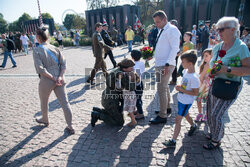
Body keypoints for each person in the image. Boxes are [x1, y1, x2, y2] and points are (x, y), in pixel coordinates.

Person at [203, 17, 250, 150]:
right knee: (210, 110)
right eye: (218, 29)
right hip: (216, 82)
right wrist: (210, 72)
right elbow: (213, 64)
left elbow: (248, 69)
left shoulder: (241, 47)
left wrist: (227, 69)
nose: (219, 32)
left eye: (222, 29)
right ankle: (213, 132)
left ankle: (216, 140)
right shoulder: (218, 46)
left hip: (230, 85)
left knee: (216, 114)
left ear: (233, 29)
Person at [33, 26, 75, 134]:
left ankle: (45, 119)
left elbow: (40, 69)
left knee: (44, 101)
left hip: (47, 80)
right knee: (65, 103)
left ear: (38, 37)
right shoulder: (55, 48)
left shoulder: (37, 50)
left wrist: (53, 78)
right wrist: (60, 76)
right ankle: (70, 126)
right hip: (60, 79)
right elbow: (63, 64)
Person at [163, 50, 200, 147]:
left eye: (183, 62)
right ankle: (193, 125)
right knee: (186, 115)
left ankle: (173, 141)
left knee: (178, 120)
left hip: (186, 101)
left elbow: (195, 93)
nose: (181, 64)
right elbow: (185, 85)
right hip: (182, 99)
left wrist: (182, 90)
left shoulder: (194, 78)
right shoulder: (185, 71)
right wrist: (180, 87)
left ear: (190, 63)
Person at [149, 10, 181, 124]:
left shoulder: (172, 30)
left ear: (164, 19)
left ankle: (162, 116)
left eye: (158, 22)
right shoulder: (161, 30)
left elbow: (174, 48)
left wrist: (167, 64)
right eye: (155, 22)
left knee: (161, 88)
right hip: (159, 63)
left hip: (165, 64)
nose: (156, 24)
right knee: (165, 87)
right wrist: (151, 56)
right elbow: (161, 47)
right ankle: (166, 108)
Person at [91, 58, 137, 127]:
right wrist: (132, 77)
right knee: (119, 123)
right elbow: (131, 88)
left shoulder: (117, 70)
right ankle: (98, 115)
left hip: (109, 98)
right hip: (110, 101)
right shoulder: (121, 75)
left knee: (119, 115)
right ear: (124, 68)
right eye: (131, 68)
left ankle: (99, 110)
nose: (133, 69)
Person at [116, 60, 139, 127]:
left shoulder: (123, 75)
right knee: (131, 106)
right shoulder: (133, 73)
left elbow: (119, 86)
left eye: (132, 67)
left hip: (128, 94)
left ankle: (133, 121)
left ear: (124, 69)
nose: (133, 69)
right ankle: (132, 115)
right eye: (131, 67)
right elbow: (137, 83)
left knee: (129, 109)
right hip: (132, 93)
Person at [195, 48, 212, 122]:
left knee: (202, 101)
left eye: (206, 56)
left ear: (212, 56)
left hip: (205, 85)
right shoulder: (206, 64)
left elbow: (202, 76)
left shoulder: (208, 65)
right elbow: (202, 76)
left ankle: (202, 114)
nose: (204, 57)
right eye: (204, 56)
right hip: (204, 85)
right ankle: (202, 114)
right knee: (202, 101)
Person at [131, 50, 145, 120]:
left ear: (132, 57)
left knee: (137, 99)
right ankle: (139, 111)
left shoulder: (133, 66)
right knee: (139, 98)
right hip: (140, 83)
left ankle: (141, 113)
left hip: (136, 84)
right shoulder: (142, 63)